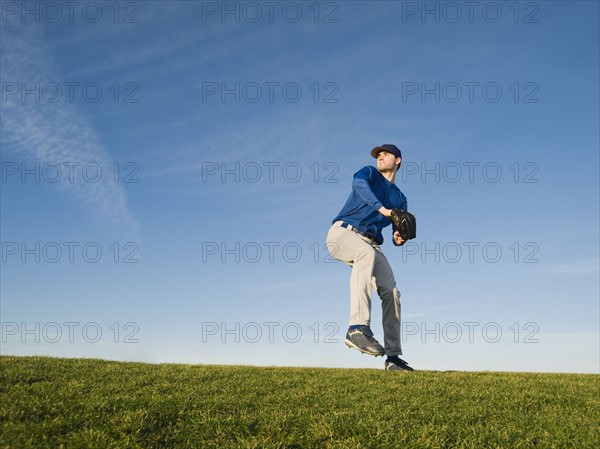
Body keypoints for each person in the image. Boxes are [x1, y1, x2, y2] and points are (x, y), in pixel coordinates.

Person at [326, 144, 414, 371]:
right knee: (364, 253)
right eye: (379, 155)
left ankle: (393, 358)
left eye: (386, 154)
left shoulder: (400, 199)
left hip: (371, 243)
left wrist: (399, 238)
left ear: (398, 161)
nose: (380, 157)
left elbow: (396, 234)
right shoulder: (369, 174)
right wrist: (383, 210)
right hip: (342, 233)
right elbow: (359, 185)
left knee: (392, 292)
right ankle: (357, 328)